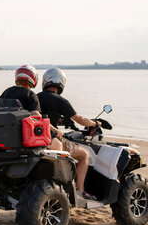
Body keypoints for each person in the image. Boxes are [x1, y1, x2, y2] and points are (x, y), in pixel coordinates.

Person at [37, 68, 101, 200]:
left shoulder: (36, 97)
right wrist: (95, 124)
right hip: (52, 139)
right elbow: (80, 119)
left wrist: (61, 121)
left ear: (45, 82)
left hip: (37, 139)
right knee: (84, 155)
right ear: (61, 83)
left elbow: (43, 117)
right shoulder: (60, 100)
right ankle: (80, 190)